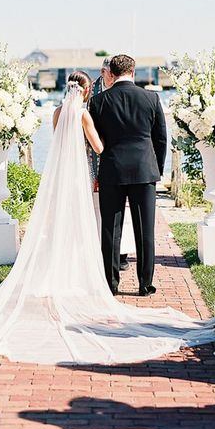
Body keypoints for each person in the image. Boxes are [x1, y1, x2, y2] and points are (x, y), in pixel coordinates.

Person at [0, 71, 215, 364]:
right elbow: (114, 144)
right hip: (109, 171)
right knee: (121, 227)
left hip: (72, 175)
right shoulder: (114, 106)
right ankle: (144, 282)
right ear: (85, 89)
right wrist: (143, 159)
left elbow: (63, 142)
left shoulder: (64, 111)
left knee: (95, 227)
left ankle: (104, 280)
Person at [89, 54, 167, 296]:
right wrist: (157, 169)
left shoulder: (99, 101)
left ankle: (111, 284)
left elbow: (96, 140)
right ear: (133, 72)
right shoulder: (151, 98)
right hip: (145, 171)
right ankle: (145, 284)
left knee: (111, 231)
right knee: (145, 230)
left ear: (111, 73)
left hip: (112, 169)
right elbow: (161, 139)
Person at [89, 57, 135, 272]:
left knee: (119, 214)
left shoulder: (119, 91)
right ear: (103, 72)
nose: (112, 77)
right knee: (103, 211)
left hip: (120, 162)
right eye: (109, 73)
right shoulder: (93, 95)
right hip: (98, 159)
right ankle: (101, 252)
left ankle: (121, 252)